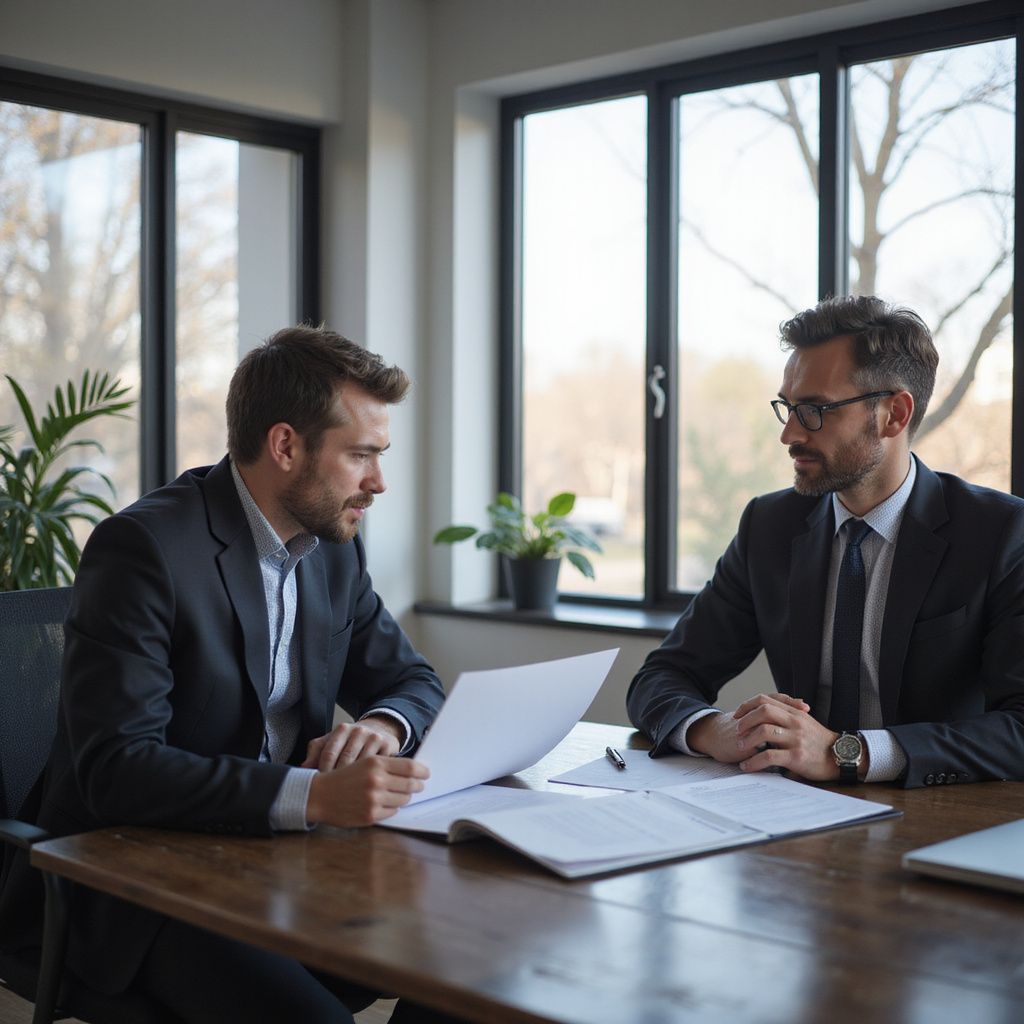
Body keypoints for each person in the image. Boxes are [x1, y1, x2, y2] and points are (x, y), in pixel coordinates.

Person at [0, 326, 459, 1023]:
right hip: (138, 884)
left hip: (281, 863)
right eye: (360, 455)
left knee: (470, 981)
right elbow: (116, 768)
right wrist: (315, 797)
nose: (378, 482)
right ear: (285, 446)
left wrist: (380, 725)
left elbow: (415, 681)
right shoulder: (145, 550)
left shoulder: (332, 549)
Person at [628, 295, 1024, 787]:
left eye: (814, 410)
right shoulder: (769, 526)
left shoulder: (1000, 533)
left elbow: (1020, 728)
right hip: (789, 817)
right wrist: (715, 729)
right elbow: (660, 677)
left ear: (894, 415)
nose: (790, 434)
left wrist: (847, 753)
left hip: (937, 817)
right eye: (788, 408)